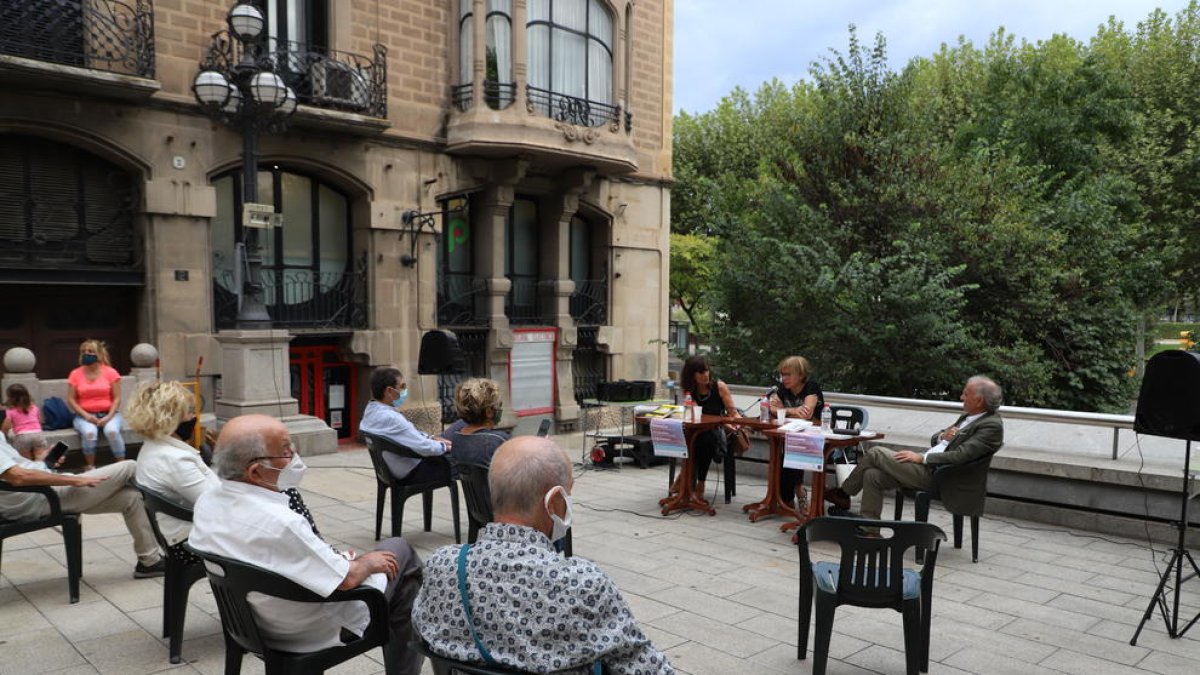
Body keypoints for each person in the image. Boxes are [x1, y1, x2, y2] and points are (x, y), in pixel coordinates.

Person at [413, 436, 674, 674]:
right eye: (568, 494)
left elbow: (423, 630)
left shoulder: (442, 566)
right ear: (554, 501)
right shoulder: (583, 584)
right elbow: (647, 667)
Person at [188, 415, 424, 673]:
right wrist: (364, 563)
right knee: (401, 554)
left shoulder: (208, 501)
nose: (294, 457)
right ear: (255, 472)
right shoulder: (280, 522)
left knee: (385, 564)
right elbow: (346, 579)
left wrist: (340, 559)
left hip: (251, 621)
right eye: (286, 450)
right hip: (305, 628)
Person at [825, 375, 1004, 522]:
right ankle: (870, 529)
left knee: (876, 452)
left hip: (941, 476)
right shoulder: (969, 416)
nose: (961, 397)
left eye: (965, 394)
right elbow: (937, 439)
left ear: (979, 400)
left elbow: (961, 456)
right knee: (872, 475)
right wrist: (943, 436)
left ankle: (843, 493)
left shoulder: (991, 426)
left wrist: (922, 458)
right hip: (928, 466)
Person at [0, 435, 165, 578]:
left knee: (131, 497)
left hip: (41, 492)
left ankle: (149, 562)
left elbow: (16, 469)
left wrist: (42, 464)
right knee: (129, 467)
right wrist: (74, 480)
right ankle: (180, 508)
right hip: (41, 498)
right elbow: (18, 477)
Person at [127, 380, 218, 564]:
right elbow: (217, 504)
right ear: (171, 418)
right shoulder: (174, 459)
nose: (193, 416)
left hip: (177, 537)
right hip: (192, 543)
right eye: (188, 412)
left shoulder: (153, 447)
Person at [359, 367, 453, 483]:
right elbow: (423, 447)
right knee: (459, 464)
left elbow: (410, 436)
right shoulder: (392, 419)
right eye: (402, 387)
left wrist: (431, 438)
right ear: (389, 391)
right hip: (411, 472)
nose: (405, 391)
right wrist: (446, 447)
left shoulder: (371, 410)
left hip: (391, 470)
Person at [768, 356, 825, 510]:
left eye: (788, 375)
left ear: (800, 375)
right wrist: (793, 411)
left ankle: (795, 494)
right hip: (791, 436)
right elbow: (771, 409)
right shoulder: (782, 388)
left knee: (790, 451)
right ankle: (788, 500)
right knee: (785, 451)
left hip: (815, 438)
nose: (784, 378)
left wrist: (783, 411)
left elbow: (806, 414)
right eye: (782, 374)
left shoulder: (811, 387)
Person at [678, 355, 737, 498]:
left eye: (706, 371)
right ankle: (686, 480)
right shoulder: (690, 392)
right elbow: (694, 415)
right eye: (700, 372)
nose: (705, 375)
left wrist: (737, 425)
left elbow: (733, 413)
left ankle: (697, 482)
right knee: (690, 438)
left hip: (719, 430)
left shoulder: (719, 387)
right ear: (692, 375)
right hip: (698, 430)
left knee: (704, 439)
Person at [66, 339, 125, 470]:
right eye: (84, 351)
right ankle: (91, 466)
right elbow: (71, 399)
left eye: (91, 351)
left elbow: (117, 398)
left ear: (99, 354)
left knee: (112, 431)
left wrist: (108, 417)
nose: (86, 354)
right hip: (84, 416)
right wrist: (87, 416)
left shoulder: (111, 372)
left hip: (109, 414)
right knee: (89, 433)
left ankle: (123, 465)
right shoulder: (75, 374)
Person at [445, 378, 509, 467]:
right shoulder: (499, 440)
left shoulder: (456, 437)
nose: (500, 409)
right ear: (489, 412)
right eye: (499, 405)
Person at [3, 383, 48, 461]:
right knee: (40, 458)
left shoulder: (11, 411)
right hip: (38, 434)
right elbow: (39, 421)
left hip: (22, 436)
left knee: (26, 461)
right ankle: (41, 470)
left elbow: (6, 426)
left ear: (10, 398)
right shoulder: (35, 408)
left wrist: (4, 434)